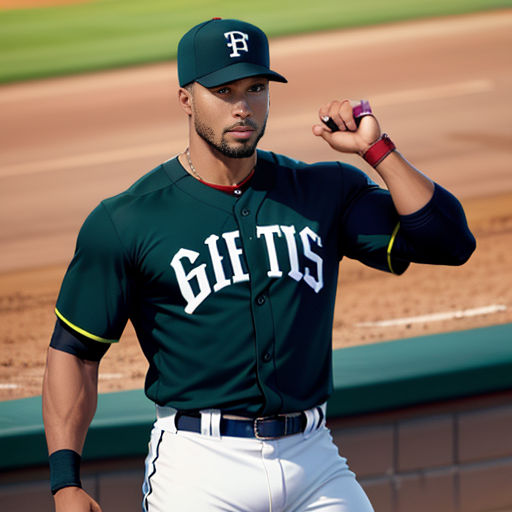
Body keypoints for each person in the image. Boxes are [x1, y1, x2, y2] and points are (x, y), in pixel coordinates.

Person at [42, 18, 476, 512]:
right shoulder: (128, 219)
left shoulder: (322, 191)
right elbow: (75, 352)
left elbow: (450, 241)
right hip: (199, 465)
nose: (243, 106)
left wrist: (377, 151)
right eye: (223, 90)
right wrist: (65, 481)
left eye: (255, 88)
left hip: (314, 459)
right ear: (187, 98)